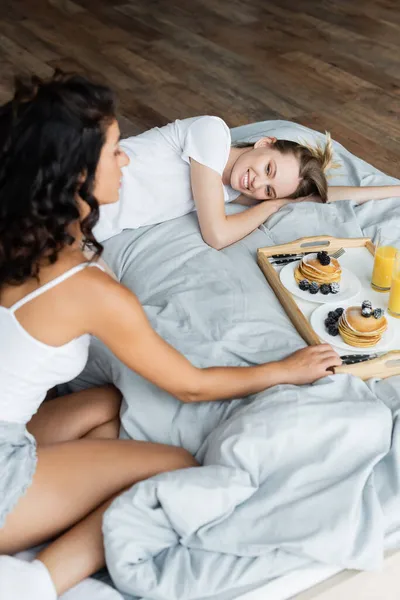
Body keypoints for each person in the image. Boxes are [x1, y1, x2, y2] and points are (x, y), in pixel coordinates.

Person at [0, 73, 341, 600]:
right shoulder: (85, 285)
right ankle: (37, 581)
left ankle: (71, 486)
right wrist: (283, 369)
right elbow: (191, 387)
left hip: (10, 423)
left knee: (113, 406)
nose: (128, 160)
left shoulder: (17, 230)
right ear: (75, 175)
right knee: (177, 467)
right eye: (116, 153)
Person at [93, 115, 400, 249]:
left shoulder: (228, 190)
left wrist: (394, 189)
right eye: (268, 168)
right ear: (265, 143)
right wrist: (275, 203)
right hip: (69, 186)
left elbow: (323, 195)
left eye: (268, 190)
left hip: (87, 227)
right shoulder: (211, 133)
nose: (257, 184)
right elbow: (217, 235)